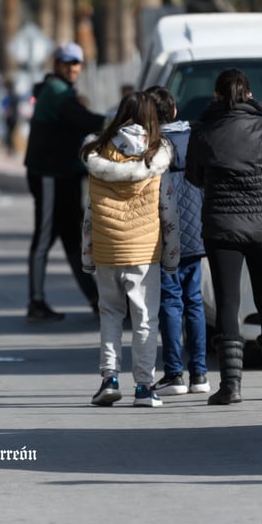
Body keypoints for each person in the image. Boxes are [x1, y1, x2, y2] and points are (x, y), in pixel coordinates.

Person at [186, 68, 262, 405]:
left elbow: (194, 176)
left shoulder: (205, 132)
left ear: (217, 96)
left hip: (221, 226)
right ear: (250, 95)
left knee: (228, 302)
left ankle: (231, 386)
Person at [80, 91, 179, 407]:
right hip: (143, 252)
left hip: (108, 250)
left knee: (110, 314)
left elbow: (90, 212)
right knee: (145, 318)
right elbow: (168, 210)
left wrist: (87, 253)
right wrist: (172, 255)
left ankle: (109, 379)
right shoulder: (156, 155)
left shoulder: (99, 154)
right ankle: (144, 386)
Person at [24, 42, 105, 322]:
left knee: (73, 239)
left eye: (76, 63)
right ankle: (36, 301)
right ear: (57, 64)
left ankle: (96, 299)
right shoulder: (56, 91)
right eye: (66, 62)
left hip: (66, 175)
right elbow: (81, 119)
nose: (72, 68)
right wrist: (114, 121)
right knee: (45, 236)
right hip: (49, 174)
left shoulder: (64, 91)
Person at [145, 86, 211, 396]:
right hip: (196, 230)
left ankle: (174, 373)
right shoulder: (197, 138)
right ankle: (200, 374)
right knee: (194, 301)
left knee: (170, 302)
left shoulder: (151, 146)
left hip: (165, 231)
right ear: (174, 111)